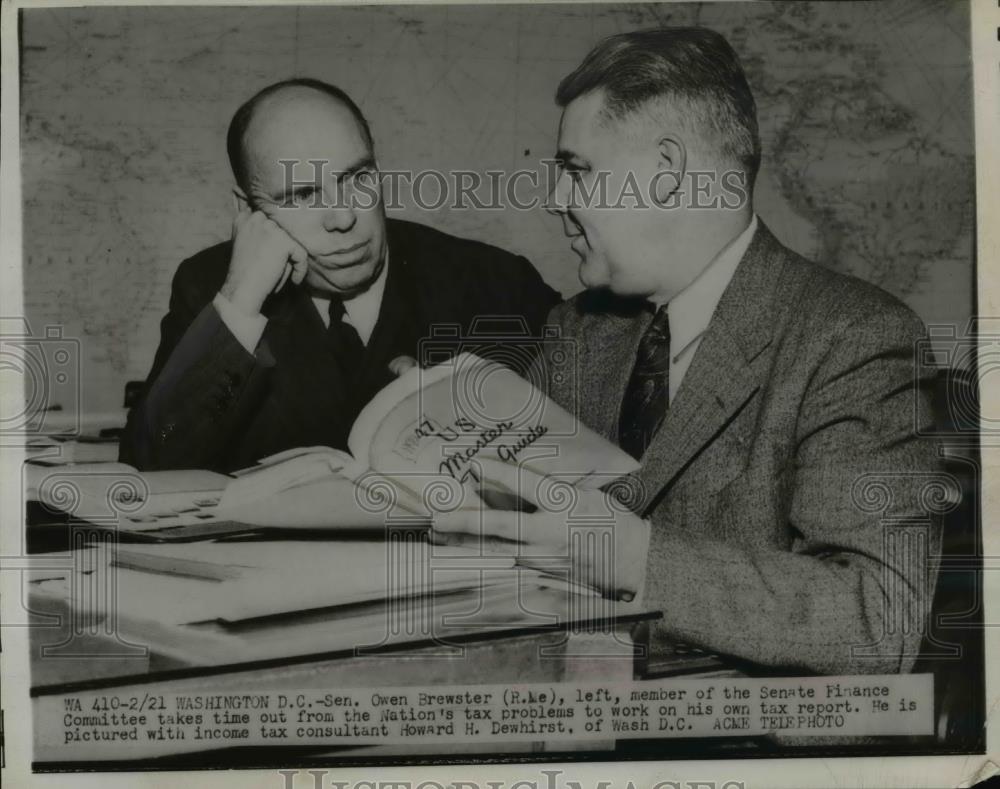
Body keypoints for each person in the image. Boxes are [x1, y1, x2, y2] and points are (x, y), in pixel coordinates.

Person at [433, 28, 943, 675]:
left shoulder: (856, 338)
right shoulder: (578, 330)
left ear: (668, 173)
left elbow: (877, 620)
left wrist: (634, 558)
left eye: (576, 171)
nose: (557, 200)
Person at [121, 78, 559, 472]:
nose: (344, 217)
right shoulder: (210, 286)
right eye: (303, 194)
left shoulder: (496, 283)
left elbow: (592, 457)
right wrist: (238, 304)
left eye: (358, 178)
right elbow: (149, 469)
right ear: (248, 211)